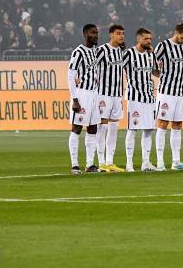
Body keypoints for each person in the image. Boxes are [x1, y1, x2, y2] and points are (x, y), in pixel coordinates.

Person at [153, 23, 183, 171]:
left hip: (181, 91)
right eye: (181, 37)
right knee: (162, 124)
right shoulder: (163, 45)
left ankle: (176, 162)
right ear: (176, 33)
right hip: (166, 92)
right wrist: (162, 76)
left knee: (177, 125)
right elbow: (152, 63)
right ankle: (160, 162)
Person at [123, 28, 160, 172]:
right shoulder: (129, 54)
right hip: (134, 97)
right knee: (133, 129)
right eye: (146, 39)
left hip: (149, 97)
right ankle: (129, 164)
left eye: (150, 39)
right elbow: (118, 68)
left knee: (148, 130)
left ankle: (146, 163)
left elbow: (155, 72)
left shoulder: (151, 55)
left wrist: (161, 70)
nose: (149, 41)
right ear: (138, 39)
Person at [68, 24, 101, 174]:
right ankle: (75, 165)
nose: (96, 35)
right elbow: (70, 76)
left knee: (93, 128)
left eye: (97, 33)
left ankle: (90, 164)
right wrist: (75, 99)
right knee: (77, 128)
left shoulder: (95, 50)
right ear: (86, 34)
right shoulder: (78, 52)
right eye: (93, 33)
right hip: (81, 94)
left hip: (94, 94)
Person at [95, 24, 126, 173]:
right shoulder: (102, 50)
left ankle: (110, 162)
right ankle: (101, 163)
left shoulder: (121, 51)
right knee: (102, 127)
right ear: (111, 35)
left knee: (114, 128)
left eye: (123, 34)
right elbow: (91, 66)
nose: (121, 36)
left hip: (117, 95)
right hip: (103, 95)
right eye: (118, 34)